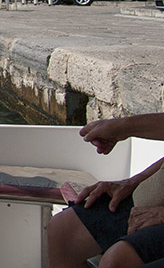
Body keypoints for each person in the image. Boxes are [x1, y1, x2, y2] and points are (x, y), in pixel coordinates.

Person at [47, 113, 164, 268]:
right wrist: (133, 181)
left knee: (117, 260)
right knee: (63, 230)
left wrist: (121, 128)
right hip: (151, 197)